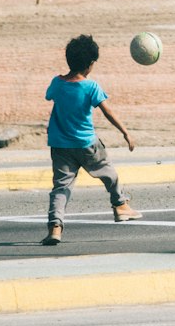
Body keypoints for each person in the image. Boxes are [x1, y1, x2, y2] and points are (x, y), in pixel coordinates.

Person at [41, 33, 140, 246]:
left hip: (60, 146)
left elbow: (50, 96)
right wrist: (125, 132)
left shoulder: (57, 83)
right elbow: (108, 112)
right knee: (109, 173)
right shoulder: (91, 87)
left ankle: (55, 227)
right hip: (87, 145)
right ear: (91, 64)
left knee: (61, 188)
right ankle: (120, 205)